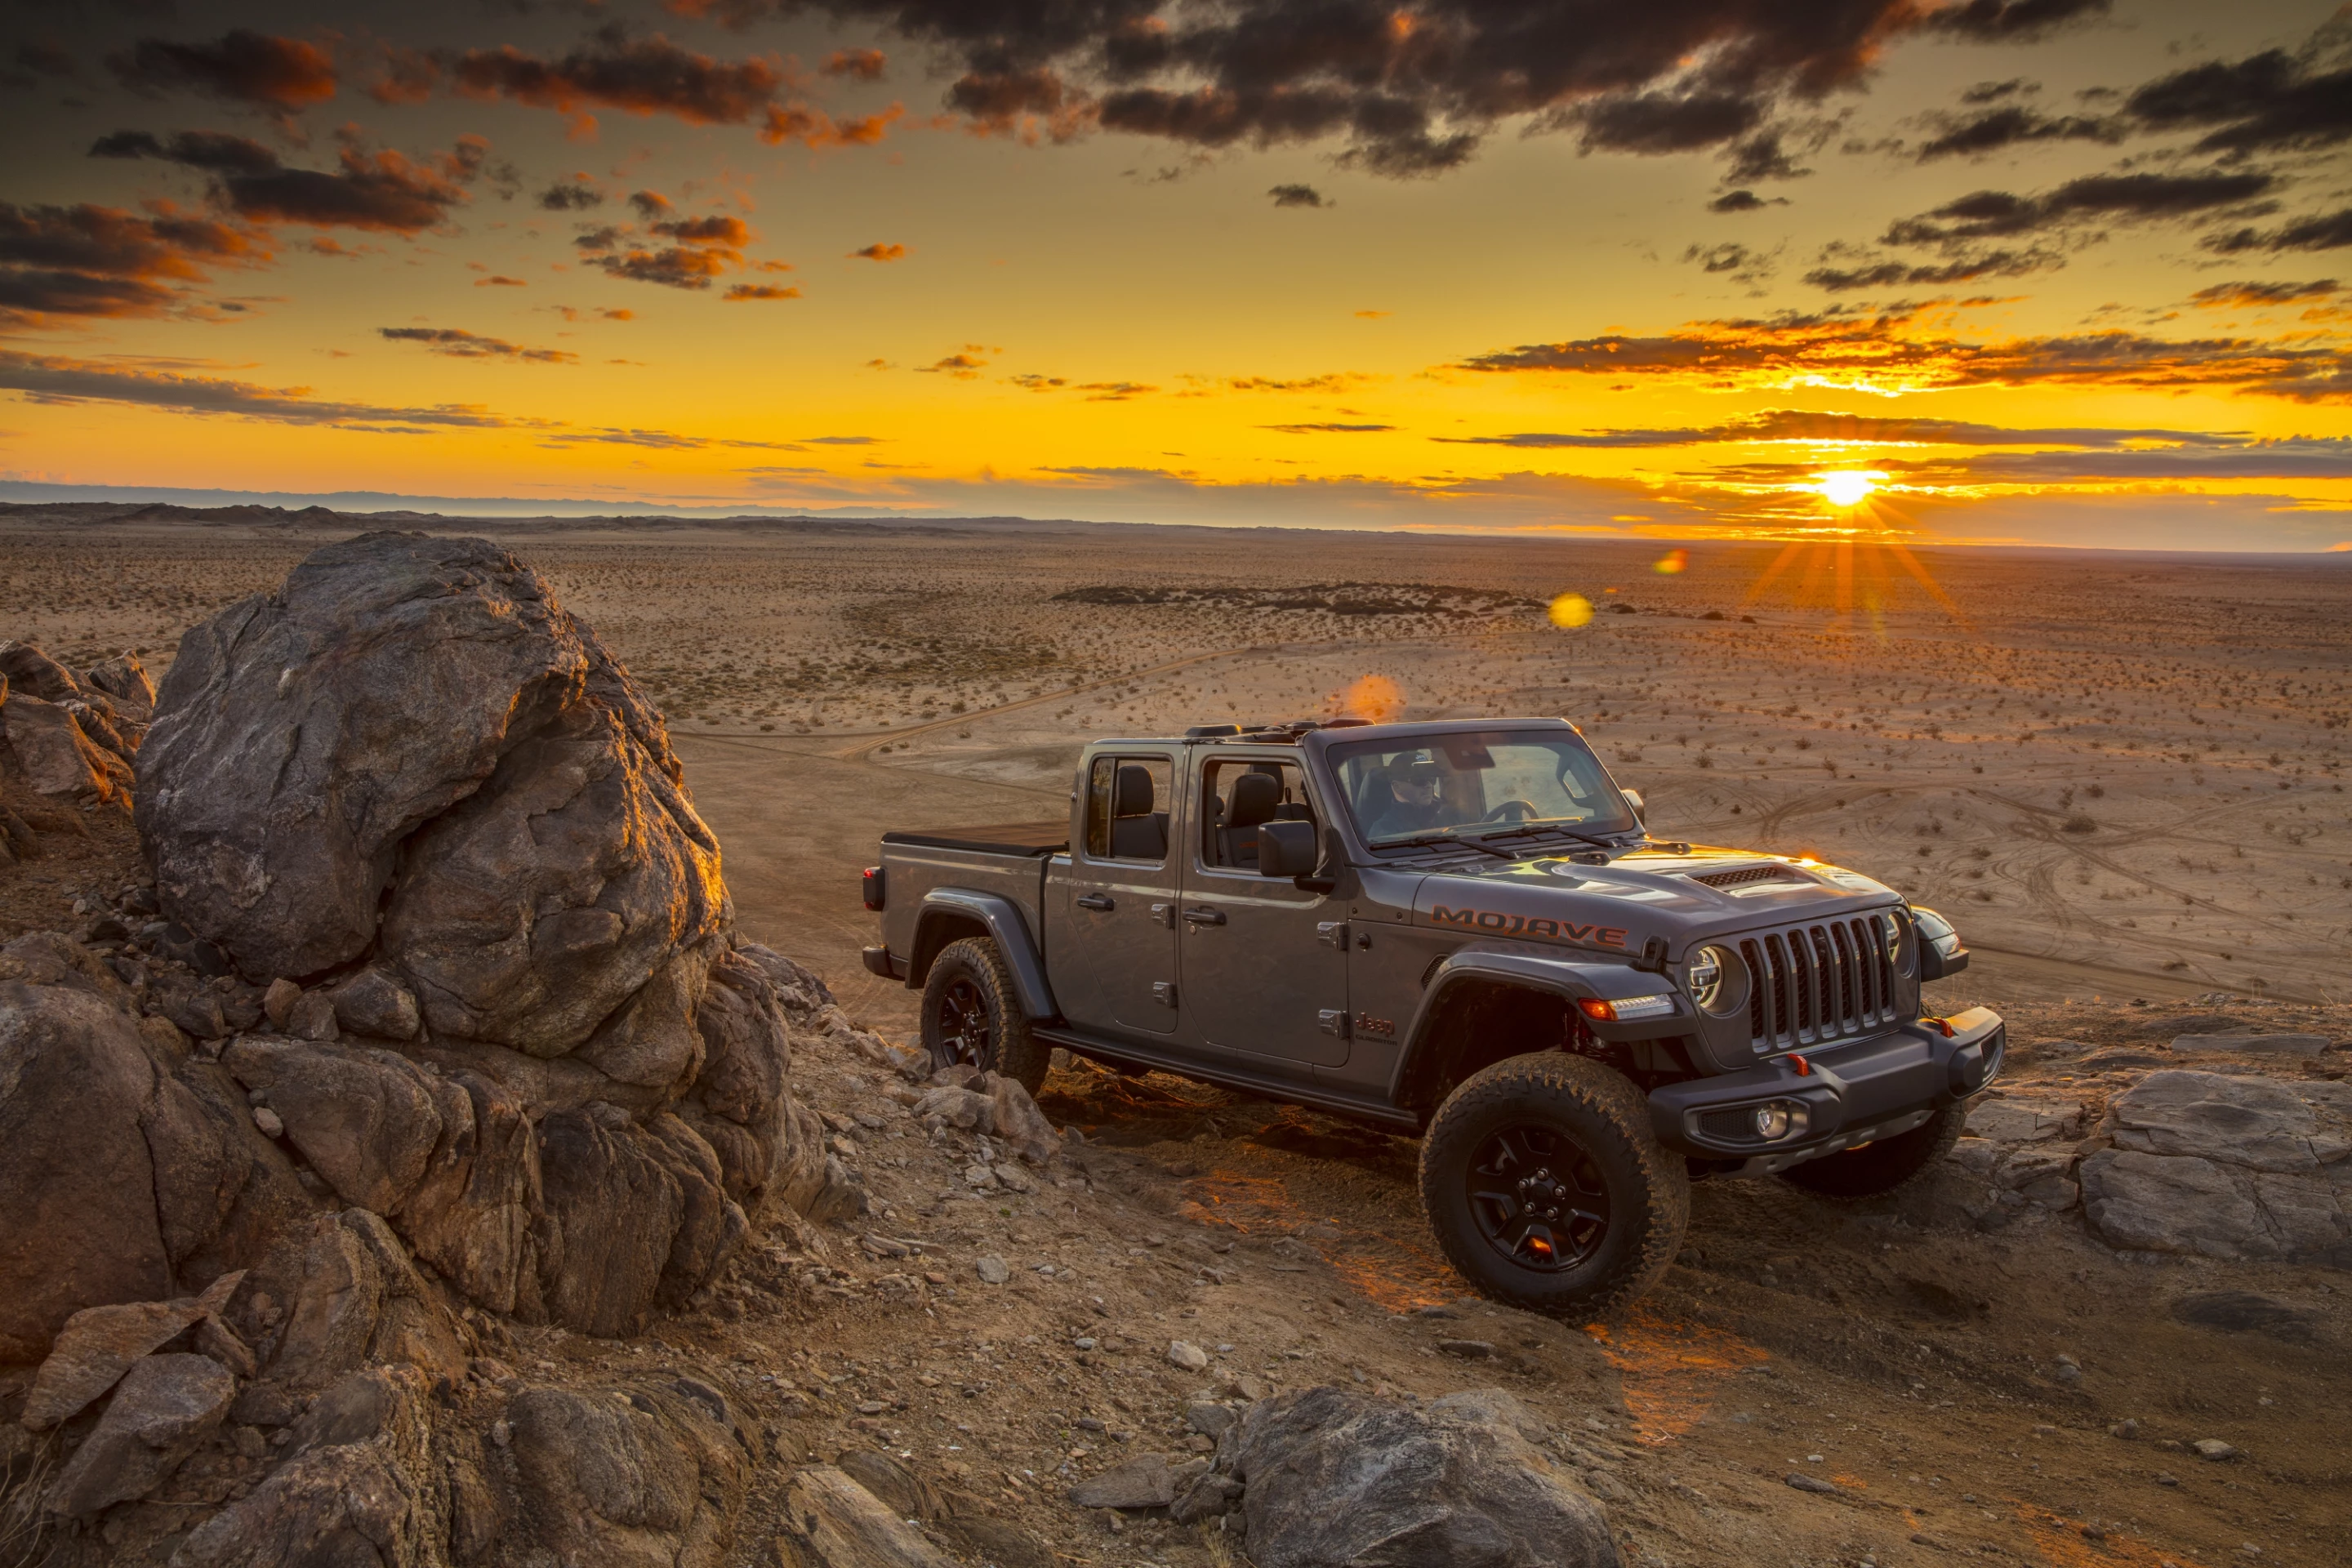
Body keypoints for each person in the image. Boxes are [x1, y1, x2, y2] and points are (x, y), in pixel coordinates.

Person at [1361, 757, 1458, 839]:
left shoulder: (1450, 815)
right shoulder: (1385, 829)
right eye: (1420, 780)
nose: (1429, 785)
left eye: (1431, 779)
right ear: (1397, 787)